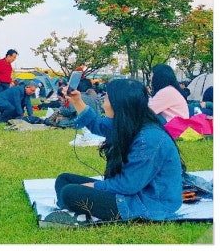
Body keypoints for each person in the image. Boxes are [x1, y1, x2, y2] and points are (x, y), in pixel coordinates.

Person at [52, 79, 184, 224]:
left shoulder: (149, 139)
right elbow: (97, 124)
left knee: (70, 192)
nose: (103, 102)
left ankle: (73, 208)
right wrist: (77, 101)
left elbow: (128, 185)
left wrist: (94, 186)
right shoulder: (129, 122)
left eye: (107, 98)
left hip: (147, 203)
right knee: (64, 180)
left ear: (118, 103)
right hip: (130, 193)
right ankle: (73, 208)